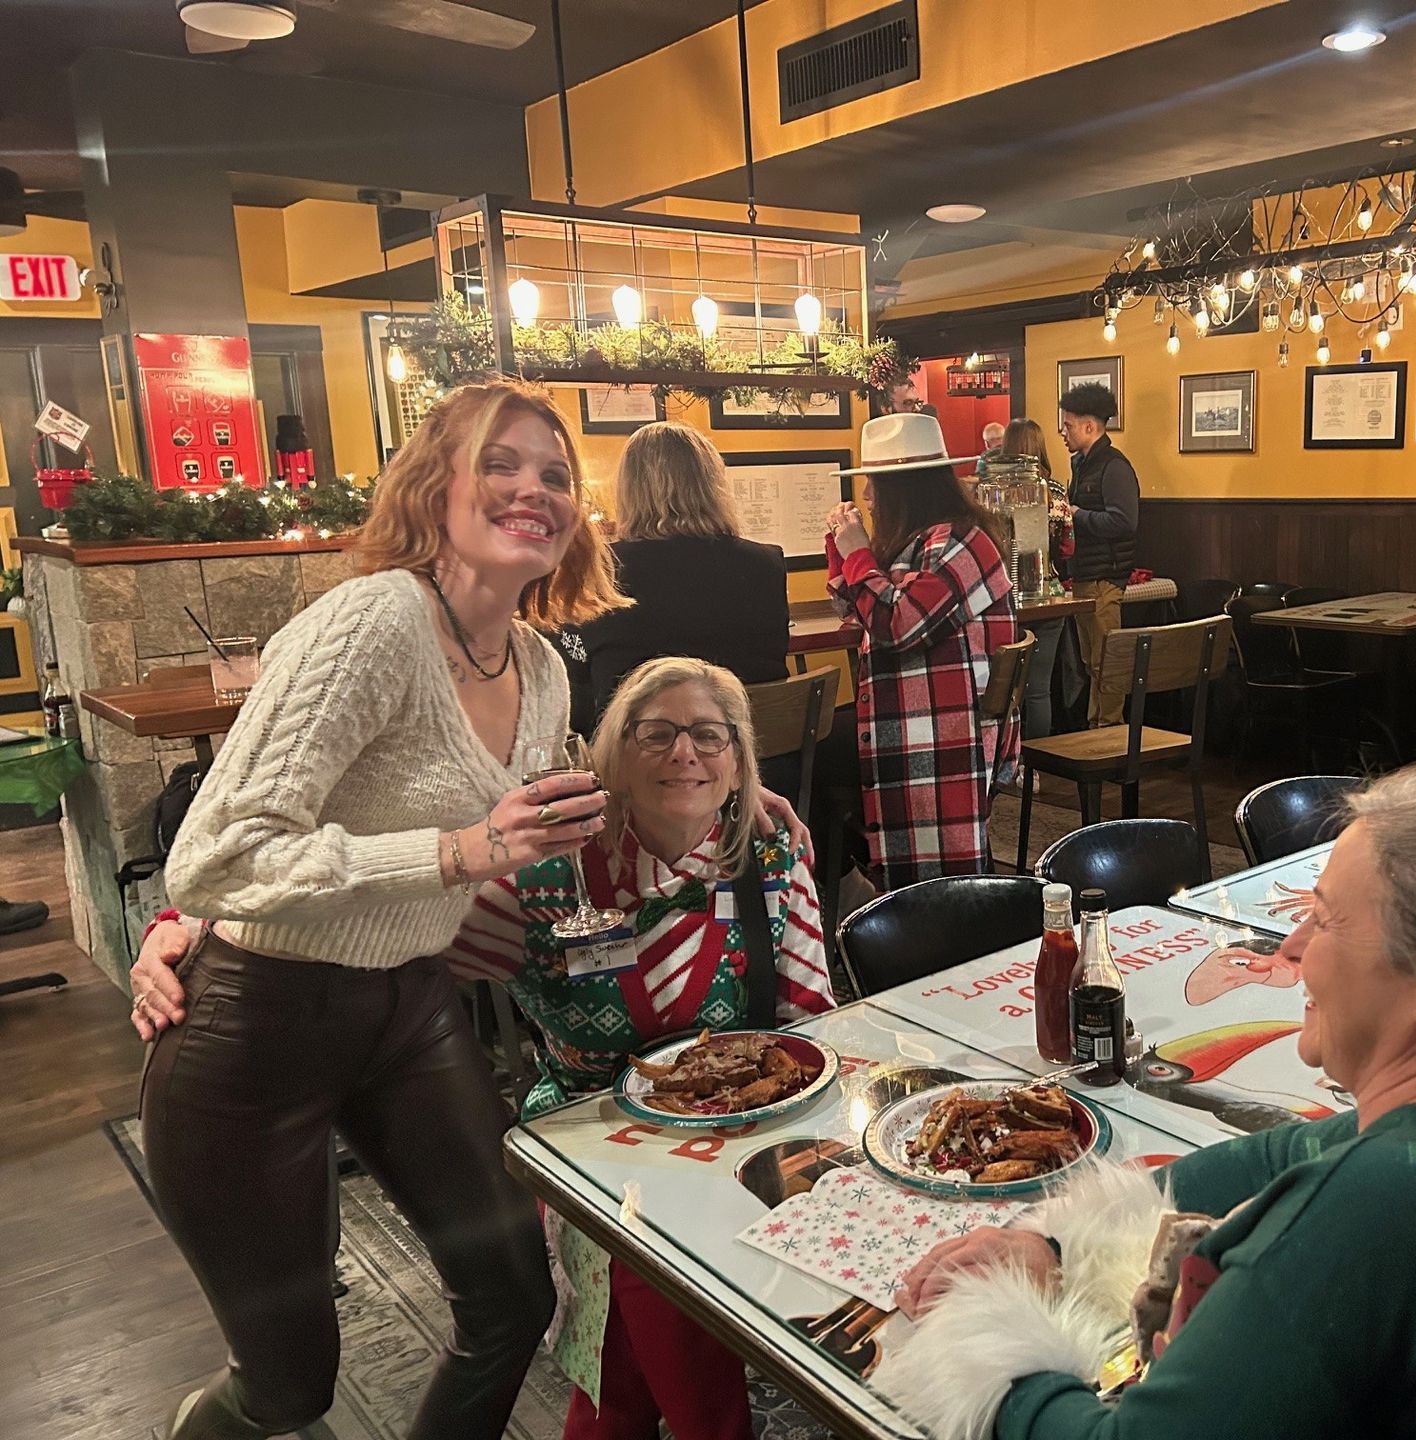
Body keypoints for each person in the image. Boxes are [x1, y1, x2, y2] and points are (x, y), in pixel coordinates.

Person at [134, 655, 835, 1440]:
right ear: (609, 759)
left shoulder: (772, 860)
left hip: (744, 1136)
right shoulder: (543, 879)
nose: (685, 755)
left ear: (741, 763)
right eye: (656, 734)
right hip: (590, 1142)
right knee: (662, 1286)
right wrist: (192, 930)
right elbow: (362, 935)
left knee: (630, 1362)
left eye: (711, 738)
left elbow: (814, 1026)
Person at [135, 377, 627, 1439]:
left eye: (555, 474)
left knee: (514, 1300)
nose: (532, 487)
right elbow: (215, 855)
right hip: (252, 1034)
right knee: (289, 1389)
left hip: (409, 1006)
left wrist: (720, 785)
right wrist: (463, 852)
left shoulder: (540, 669)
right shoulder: (374, 622)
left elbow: (494, 858)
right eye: (500, 463)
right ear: (433, 484)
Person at [877, 763, 1416, 1440]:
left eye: (1328, 919)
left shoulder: (1384, 1208)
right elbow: (1288, 1148)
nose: (1292, 947)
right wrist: (1058, 1245)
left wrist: (988, 1340)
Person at [824, 412, 1016, 890]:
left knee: (801, 760)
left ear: (904, 489)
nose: (867, 497)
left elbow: (897, 624)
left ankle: (849, 892)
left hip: (944, 735)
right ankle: (852, 887)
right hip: (919, 721)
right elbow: (865, 611)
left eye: (874, 484)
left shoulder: (962, 541)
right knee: (805, 758)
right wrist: (843, 554)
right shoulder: (927, 542)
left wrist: (857, 555)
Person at [561, 421, 790, 734]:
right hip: (761, 763)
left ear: (628, 489)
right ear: (713, 484)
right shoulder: (767, 564)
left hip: (638, 769)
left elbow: (574, 683)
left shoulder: (600, 567)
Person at [1057, 382, 1139, 726]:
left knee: (1107, 662)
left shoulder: (1113, 466)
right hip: (1086, 576)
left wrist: (1076, 514)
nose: (1063, 432)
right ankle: (1096, 733)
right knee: (1094, 663)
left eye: (1069, 425)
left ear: (1090, 426)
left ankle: (1108, 733)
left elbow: (1124, 522)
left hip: (1106, 578)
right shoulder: (1084, 464)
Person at [997, 416, 1068, 741]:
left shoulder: (994, 489)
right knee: (1039, 690)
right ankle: (1035, 768)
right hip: (1048, 592)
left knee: (1002, 690)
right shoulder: (1053, 490)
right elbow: (1068, 546)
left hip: (1005, 595)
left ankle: (1006, 767)